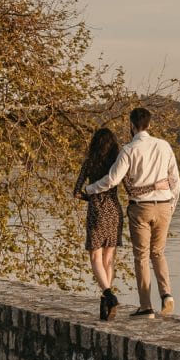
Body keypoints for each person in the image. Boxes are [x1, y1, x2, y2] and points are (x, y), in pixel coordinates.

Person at [84, 107, 180, 318]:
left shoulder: (128, 149)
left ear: (131, 125)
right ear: (149, 124)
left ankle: (146, 307)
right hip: (164, 205)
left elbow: (112, 179)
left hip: (141, 208)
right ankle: (166, 294)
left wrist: (90, 189)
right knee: (159, 252)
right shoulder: (164, 146)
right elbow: (176, 181)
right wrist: (171, 206)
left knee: (142, 256)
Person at [73, 128, 123, 321]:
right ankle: (106, 300)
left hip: (97, 211)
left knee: (95, 256)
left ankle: (109, 295)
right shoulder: (116, 163)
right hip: (114, 210)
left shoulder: (89, 163)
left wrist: (91, 198)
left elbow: (76, 192)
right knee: (109, 257)